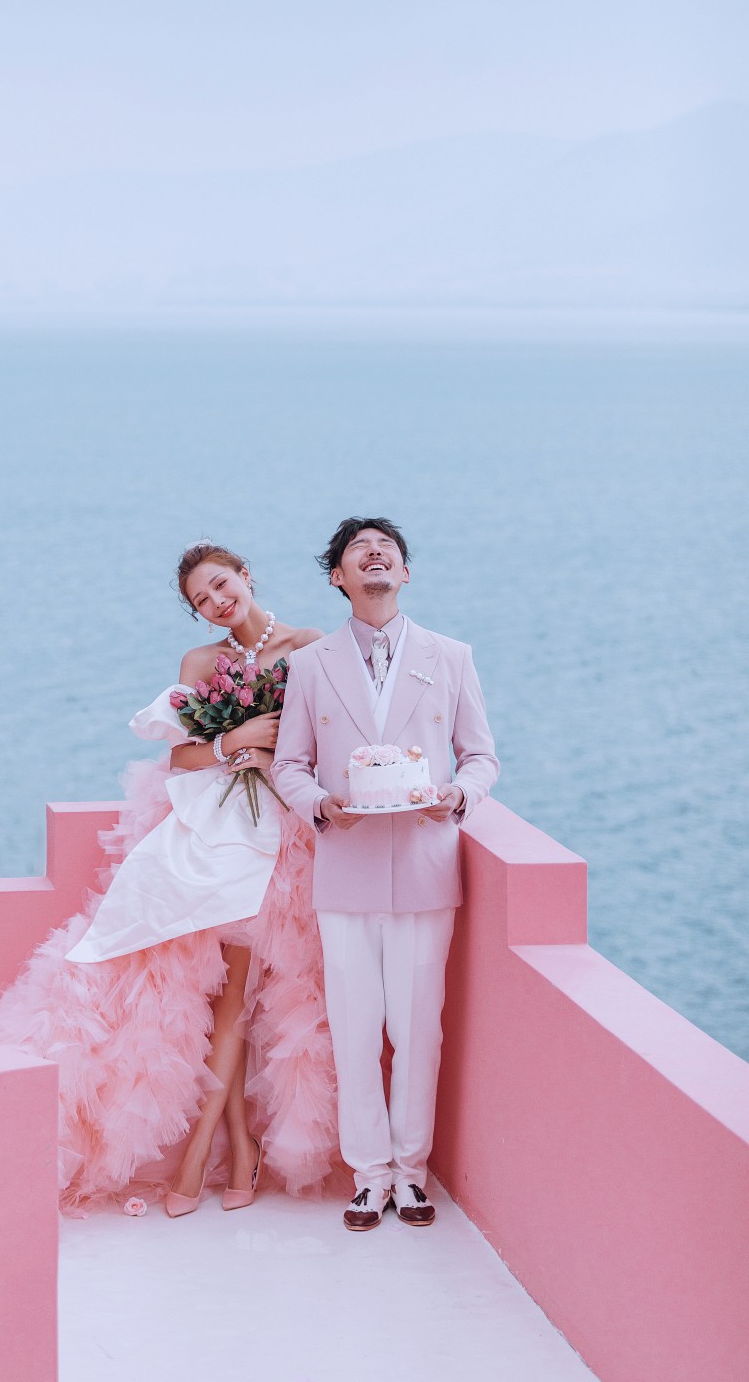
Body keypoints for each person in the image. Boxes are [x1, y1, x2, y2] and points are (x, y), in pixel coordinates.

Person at [0, 542, 338, 1216]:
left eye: (221, 584)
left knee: (238, 999)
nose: (218, 601)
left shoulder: (308, 645)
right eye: (202, 600)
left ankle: (199, 1162)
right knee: (216, 997)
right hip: (209, 836)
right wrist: (237, 738)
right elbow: (184, 758)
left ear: (246, 576)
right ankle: (237, 1152)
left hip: (279, 843)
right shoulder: (201, 663)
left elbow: (324, 740)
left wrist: (271, 751)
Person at [273, 517, 498, 1231]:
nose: (375, 554)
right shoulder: (311, 665)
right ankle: (368, 1176)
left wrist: (458, 796)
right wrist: (320, 805)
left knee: (418, 1029)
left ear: (405, 573)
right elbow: (289, 765)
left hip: (425, 867)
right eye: (358, 549)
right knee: (355, 1032)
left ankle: (411, 1173)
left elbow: (481, 757)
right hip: (345, 868)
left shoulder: (450, 656)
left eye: (387, 549)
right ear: (337, 577)